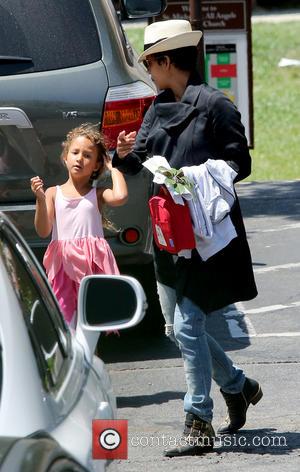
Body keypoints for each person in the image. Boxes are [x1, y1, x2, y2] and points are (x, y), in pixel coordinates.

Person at [113, 20, 262, 456]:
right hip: (166, 234)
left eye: (150, 63)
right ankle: (237, 385)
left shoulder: (216, 106)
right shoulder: (157, 106)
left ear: (165, 61)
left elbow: (240, 163)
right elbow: (138, 160)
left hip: (202, 233)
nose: (149, 72)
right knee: (177, 329)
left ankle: (199, 420)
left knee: (187, 324)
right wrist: (124, 155)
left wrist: (191, 180)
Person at [31, 123, 128, 328]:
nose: (79, 158)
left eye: (87, 155)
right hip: (63, 265)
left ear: (96, 165)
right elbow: (43, 231)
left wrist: (113, 168)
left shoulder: (98, 193)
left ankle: (88, 357)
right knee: (65, 320)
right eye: (75, 152)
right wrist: (40, 199)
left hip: (92, 263)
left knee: (91, 322)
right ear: (65, 157)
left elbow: (120, 197)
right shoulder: (52, 193)